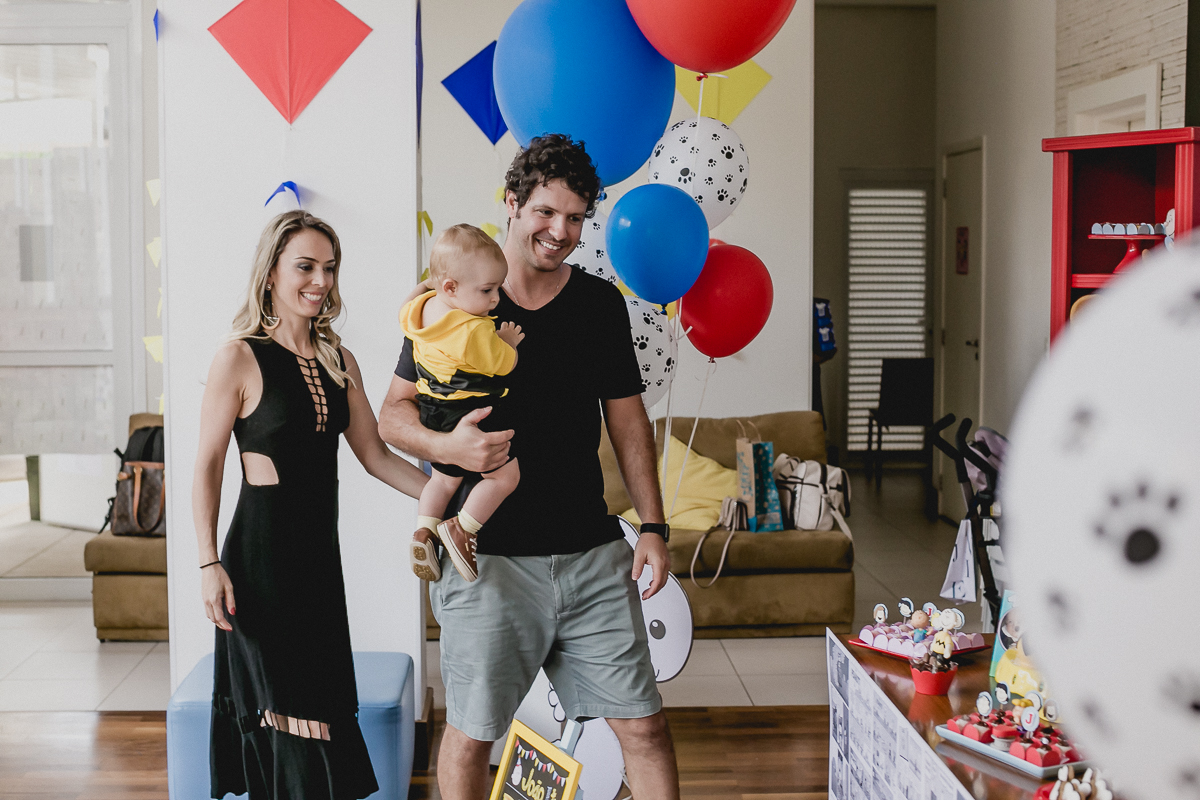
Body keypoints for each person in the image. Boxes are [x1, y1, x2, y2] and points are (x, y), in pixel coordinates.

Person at [379, 134, 681, 799]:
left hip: (591, 552)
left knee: (645, 728)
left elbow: (628, 424)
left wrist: (653, 525)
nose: (560, 231)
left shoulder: (601, 305)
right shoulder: (450, 303)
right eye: (546, 211)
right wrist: (452, 450)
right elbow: (390, 417)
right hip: (485, 558)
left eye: (576, 218)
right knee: (470, 733)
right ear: (512, 204)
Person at [193, 210, 429, 800]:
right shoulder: (239, 357)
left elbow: (375, 455)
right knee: (287, 724)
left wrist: (444, 499)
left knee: (320, 722)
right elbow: (206, 466)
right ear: (272, 271)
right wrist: (206, 563)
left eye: (329, 268)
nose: (320, 281)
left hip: (319, 571)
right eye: (305, 266)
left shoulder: (338, 360)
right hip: (257, 570)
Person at [400, 224, 524, 584]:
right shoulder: (473, 329)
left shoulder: (418, 312)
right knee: (504, 477)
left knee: (441, 479)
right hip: (472, 413)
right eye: (486, 291)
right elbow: (502, 364)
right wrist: (507, 340)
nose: (495, 300)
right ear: (451, 287)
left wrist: (428, 286)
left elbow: (408, 302)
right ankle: (464, 528)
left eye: (497, 289)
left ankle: (423, 531)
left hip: (433, 412)